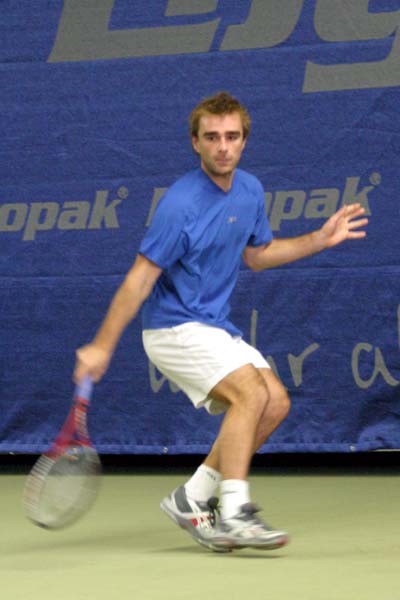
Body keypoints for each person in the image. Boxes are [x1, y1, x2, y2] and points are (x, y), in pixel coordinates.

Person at [74, 91, 368, 553]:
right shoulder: (180, 204)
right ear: (195, 143)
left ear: (244, 141)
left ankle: (192, 497)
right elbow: (139, 278)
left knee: (274, 402)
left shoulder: (249, 190)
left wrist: (319, 239)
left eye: (232, 136)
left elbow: (257, 255)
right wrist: (102, 345)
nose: (223, 147)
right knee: (249, 392)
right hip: (172, 328)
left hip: (212, 325)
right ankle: (235, 512)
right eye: (212, 137)